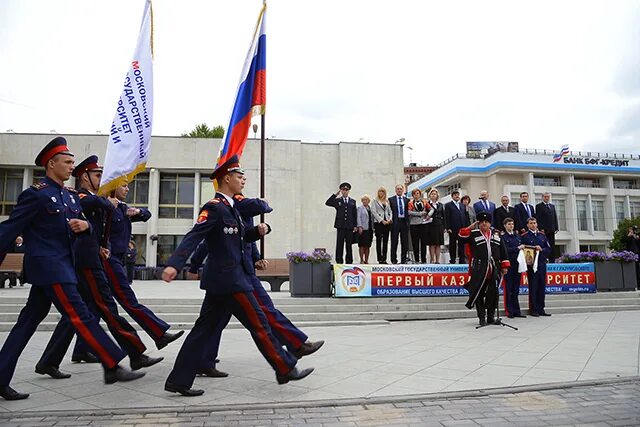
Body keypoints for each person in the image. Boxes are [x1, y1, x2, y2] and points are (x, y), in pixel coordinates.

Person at [0, 137, 143, 401]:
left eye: (72, 162)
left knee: (26, 323)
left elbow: (78, 227)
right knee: (80, 315)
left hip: (64, 266)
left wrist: (86, 227)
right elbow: (9, 229)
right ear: (51, 164)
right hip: (50, 268)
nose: (70, 167)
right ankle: (111, 363)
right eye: (66, 162)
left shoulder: (68, 196)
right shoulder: (36, 194)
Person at [162, 155, 313, 396]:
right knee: (260, 324)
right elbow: (195, 236)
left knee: (202, 332)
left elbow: (236, 239)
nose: (243, 180)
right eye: (238, 176)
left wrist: (256, 233)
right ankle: (284, 367)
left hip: (224, 282)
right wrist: (174, 264)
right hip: (230, 281)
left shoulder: (232, 208)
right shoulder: (214, 207)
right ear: (226, 179)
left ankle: (178, 381)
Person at [36, 155, 163, 375]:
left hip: (91, 259)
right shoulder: (79, 196)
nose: (102, 179)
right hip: (84, 262)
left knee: (79, 314)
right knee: (107, 308)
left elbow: (98, 224)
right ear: (84, 177)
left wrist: (101, 244)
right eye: (97, 175)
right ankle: (133, 354)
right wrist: (108, 202)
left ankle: (50, 360)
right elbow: (89, 203)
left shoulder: (97, 199)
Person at [191, 194, 325, 377]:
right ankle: (295, 347)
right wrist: (193, 264)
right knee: (263, 312)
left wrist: (257, 258)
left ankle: (202, 361)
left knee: (214, 322)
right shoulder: (230, 204)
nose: (243, 181)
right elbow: (210, 242)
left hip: (239, 271)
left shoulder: (238, 208)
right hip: (237, 275)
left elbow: (247, 238)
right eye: (239, 177)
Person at [105, 181, 184, 350]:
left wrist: (138, 211)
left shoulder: (122, 207)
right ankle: (159, 333)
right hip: (109, 260)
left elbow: (146, 215)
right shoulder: (104, 206)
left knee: (90, 308)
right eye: (124, 186)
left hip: (118, 260)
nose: (127, 189)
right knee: (128, 300)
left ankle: (73, 352)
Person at [458, 211, 510, 326]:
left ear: (490, 223)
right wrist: (470, 226)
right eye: (482, 222)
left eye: (486, 222)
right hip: (479, 268)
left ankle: (491, 317)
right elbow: (461, 238)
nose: (484, 224)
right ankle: (482, 317)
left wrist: (505, 266)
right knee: (478, 293)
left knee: (493, 293)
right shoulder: (473, 234)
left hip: (494, 268)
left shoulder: (496, 234)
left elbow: (503, 251)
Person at [520, 217, 551, 317]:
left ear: (537, 224)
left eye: (534, 223)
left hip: (541, 264)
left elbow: (548, 249)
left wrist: (542, 249)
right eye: (531, 223)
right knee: (533, 287)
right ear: (527, 225)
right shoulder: (525, 236)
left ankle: (541, 308)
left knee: (542, 286)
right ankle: (533, 309)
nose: (533, 225)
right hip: (531, 265)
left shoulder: (542, 235)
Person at [325, 182, 358, 264]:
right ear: (341, 191)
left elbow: (354, 214)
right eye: (343, 190)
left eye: (346, 190)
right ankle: (339, 260)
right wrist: (335, 195)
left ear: (349, 191)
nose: (345, 191)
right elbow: (328, 202)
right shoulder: (338, 201)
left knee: (349, 245)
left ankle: (349, 261)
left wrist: (355, 225)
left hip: (349, 226)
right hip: (340, 226)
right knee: (339, 244)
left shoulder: (352, 201)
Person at [502, 218, 526, 318]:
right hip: (509, 265)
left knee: (516, 289)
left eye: (512, 224)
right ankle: (509, 311)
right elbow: (505, 250)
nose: (511, 226)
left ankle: (517, 311)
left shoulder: (517, 236)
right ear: (505, 225)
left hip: (517, 265)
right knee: (509, 288)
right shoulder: (503, 237)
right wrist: (517, 248)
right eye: (509, 224)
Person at [388, 184, 409, 264]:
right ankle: (394, 260)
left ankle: (403, 260)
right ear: (395, 190)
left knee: (404, 242)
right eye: (398, 189)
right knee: (394, 242)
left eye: (400, 189)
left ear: (403, 190)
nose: (399, 190)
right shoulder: (391, 200)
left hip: (404, 222)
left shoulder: (406, 200)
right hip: (395, 223)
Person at [444, 190, 467, 264]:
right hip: (453, 228)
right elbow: (446, 217)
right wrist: (448, 227)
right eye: (455, 195)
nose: (457, 196)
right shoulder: (448, 205)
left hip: (462, 228)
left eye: (458, 195)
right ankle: (452, 259)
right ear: (452, 196)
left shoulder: (462, 205)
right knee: (453, 244)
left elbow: (465, 216)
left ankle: (462, 259)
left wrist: (466, 227)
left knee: (461, 244)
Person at [371, 187, 392, 264]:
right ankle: (379, 258)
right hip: (379, 223)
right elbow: (373, 211)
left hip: (387, 223)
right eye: (380, 191)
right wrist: (381, 220)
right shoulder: (374, 201)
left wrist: (389, 219)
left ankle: (384, 258)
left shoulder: (387, 201)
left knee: (386, 241)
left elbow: (390, 211)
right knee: (379, 241)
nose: (381, 193)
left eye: (382, 192)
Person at [535, 192, 559, 262]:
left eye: (548, 197)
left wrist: (556, 227)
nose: (547, 198)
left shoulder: (552, 206)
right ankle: (545, 259)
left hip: (552, 230)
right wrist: (541, 228)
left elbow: (554, 217)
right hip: (544, 230)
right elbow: (539, 218)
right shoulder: (539, 206)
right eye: (545, 197)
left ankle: (552, 260)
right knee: (545, 245)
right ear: (542, 197)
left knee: (552, 245)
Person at [408, 188, 429, 263]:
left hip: (423, 224)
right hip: (414, 224)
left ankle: (424, 259)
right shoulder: (410, 203)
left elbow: (431, 209)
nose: (416, 195)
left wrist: (428, 215)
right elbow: (409, 212)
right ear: (413, 195)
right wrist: (419, 214)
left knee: (423, 242)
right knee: (415, 242)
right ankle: (416, 259)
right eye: (414, 194)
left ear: (420, 194)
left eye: (417, 193)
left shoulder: (425, 202)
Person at [424, 188, 444, 264]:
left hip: (439, 225)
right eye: (432, 194)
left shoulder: (441, 205)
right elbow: (425, 214)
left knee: (438, 244)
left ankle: (437, 260)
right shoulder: (427, 204)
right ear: (430, 195)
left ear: (437, 195)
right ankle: (432, 259)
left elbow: (443, 215)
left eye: (435, 194)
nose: (433, 195)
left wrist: (444, 227)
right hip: (430, 225)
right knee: (432, 243)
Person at [356, 195, 374, 264]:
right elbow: (358, 217)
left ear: (368, 201)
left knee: (368, 245)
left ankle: (366, 260)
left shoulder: (370, 208)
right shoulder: (360, 208)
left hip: (370, 229)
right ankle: (361, 259)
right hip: (363, 229)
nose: (364, 201)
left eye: (366, 200)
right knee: (362, 245)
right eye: (363, 200)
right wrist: (359, 226)